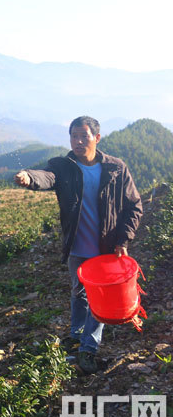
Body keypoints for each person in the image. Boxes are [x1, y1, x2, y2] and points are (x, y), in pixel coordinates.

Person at [14, 115, 142, 374]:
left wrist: (123, 239)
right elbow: (47, 176)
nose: (79, 141)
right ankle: (77, 334)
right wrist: (29, 176)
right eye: (74, 136)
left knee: (99, 299)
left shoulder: (115, 168)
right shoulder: (64, 166)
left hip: (106, 248)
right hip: (76, 246)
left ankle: (88, 348)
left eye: (84, 136)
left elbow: (134, 206)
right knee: (78, 292)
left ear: (97, 138)